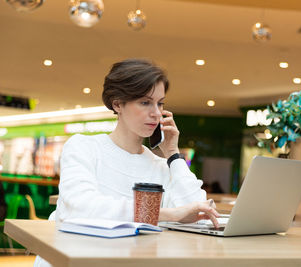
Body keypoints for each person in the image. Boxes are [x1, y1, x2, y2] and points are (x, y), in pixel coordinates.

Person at [34, 59, 219, 267]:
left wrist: (173, 155)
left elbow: (202, 218)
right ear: (117, 103)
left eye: (160, 103)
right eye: (145, 102)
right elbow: (83, 209)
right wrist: (169, 215)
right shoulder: (83, 147)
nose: (157, 113)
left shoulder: (160, 166)